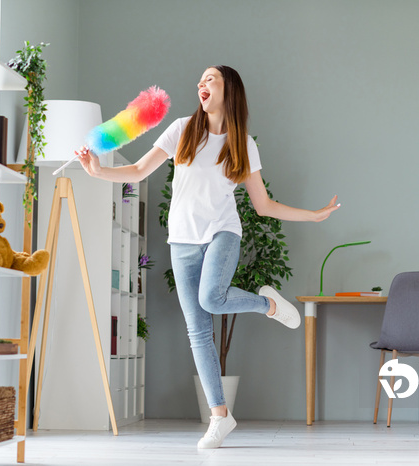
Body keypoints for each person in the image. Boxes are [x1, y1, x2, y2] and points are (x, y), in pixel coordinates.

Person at [77, 65, 340, 449]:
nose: (201, 84)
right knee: (198, 333)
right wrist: (98, 172)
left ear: (228, 90)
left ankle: (267, 304)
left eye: (210, 79)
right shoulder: (183, 128)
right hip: (181, 240)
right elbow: (138, 169)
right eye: (200, 80)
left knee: (210, 298)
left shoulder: (242, 143)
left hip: (222, 231)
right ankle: (220, 416)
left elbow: (263, 205)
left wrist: (313, 215)